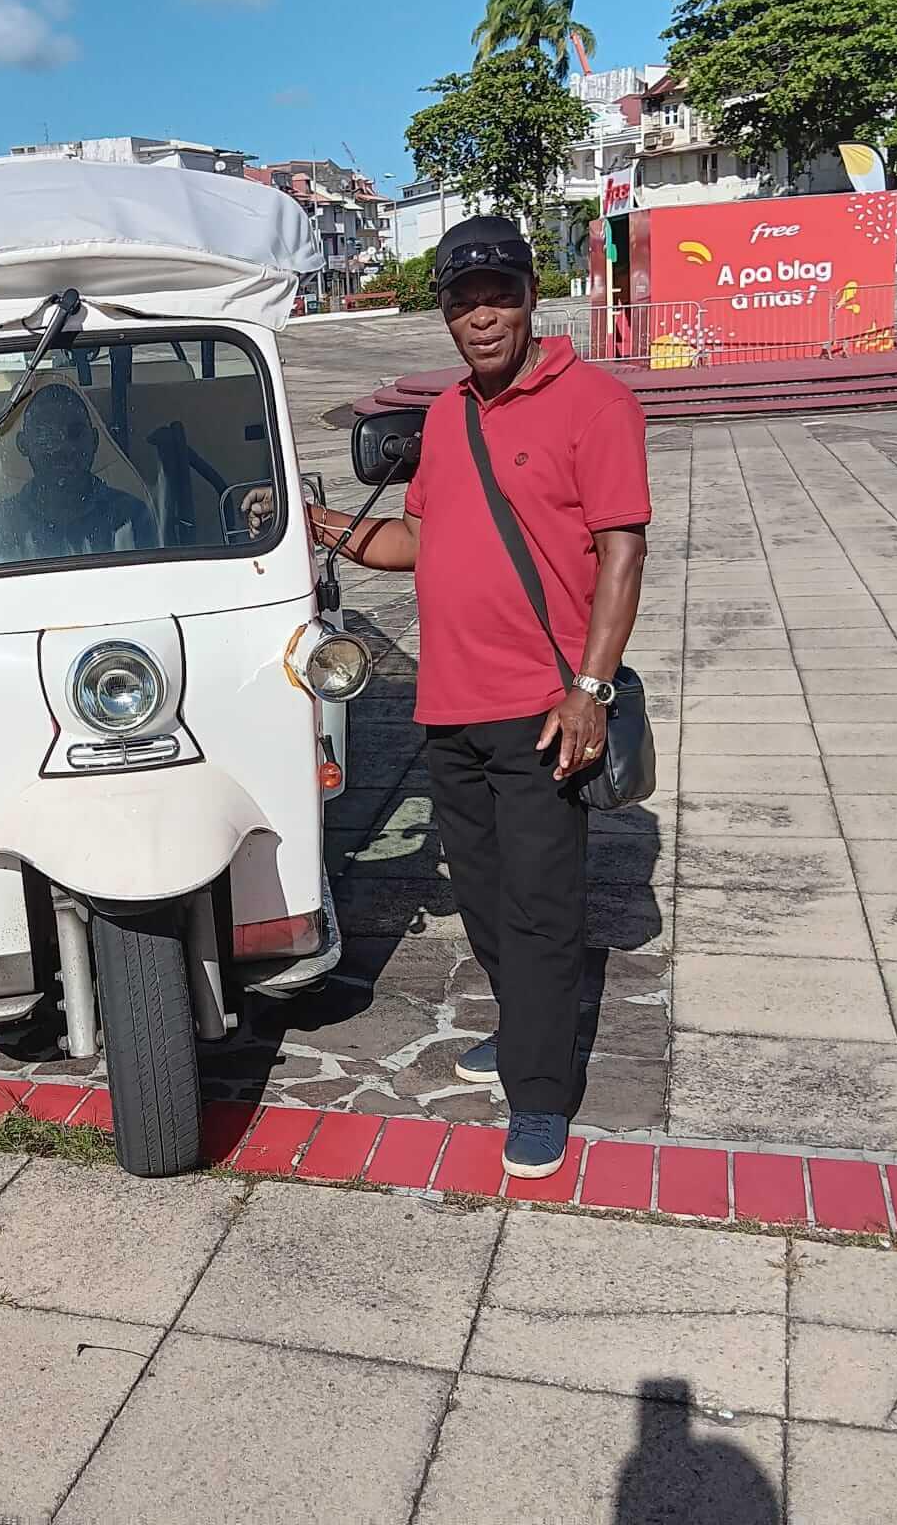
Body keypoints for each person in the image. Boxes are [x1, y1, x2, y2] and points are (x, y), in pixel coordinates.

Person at [304, 217, 650, 1179]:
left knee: (542, 908)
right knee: (487, 901)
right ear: (448, 315)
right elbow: (420, 542)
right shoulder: (447, 416)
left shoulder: (595, 405)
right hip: (447, 711)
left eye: (499, 296)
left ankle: (540, 1096)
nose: (482, 316)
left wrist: (590, 687)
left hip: (545, 707)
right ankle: (524, 1025)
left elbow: (623, 549)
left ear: (531, 299)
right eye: (464, 301)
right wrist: (319, 525)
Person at [0, 384, 156, 565]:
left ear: (94, 441)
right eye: (47, 435)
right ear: (23, 444)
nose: (63, 447)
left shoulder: (131, 517)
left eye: (75, 433)